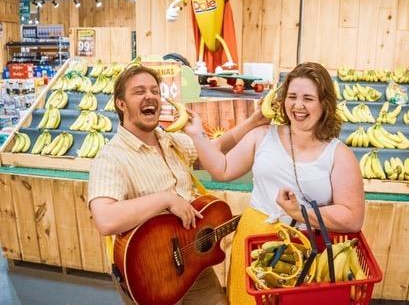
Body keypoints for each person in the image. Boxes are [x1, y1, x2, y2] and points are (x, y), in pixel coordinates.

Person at [183, 62, 365, 304]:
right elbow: (222, 169)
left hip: (304, 249)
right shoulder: (262, 136)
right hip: (253, 240)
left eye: (308, 98)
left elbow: (352, 217)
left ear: (324, 104)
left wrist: (299, 212)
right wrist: (197, 135)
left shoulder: (338, 154)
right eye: (292, 96)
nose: (298, 106)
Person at [87, 65, 267, 305]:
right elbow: (105, 219)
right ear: (121, 104)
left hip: (194, 264)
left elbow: (217, 149)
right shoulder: (111, 158)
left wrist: (253, 122)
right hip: (150, 275)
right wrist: (166, 199)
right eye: (139, 91)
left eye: (154, 90)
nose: (150, 96)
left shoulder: (172, 142)